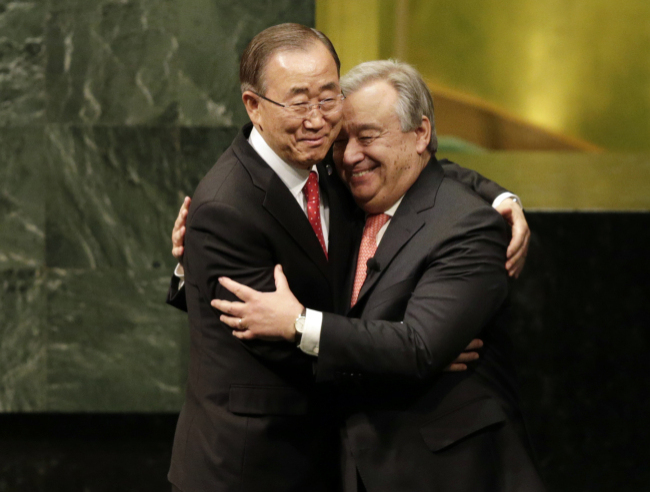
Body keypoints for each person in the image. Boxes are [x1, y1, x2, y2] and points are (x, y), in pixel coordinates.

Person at [167, 23, 530, 492]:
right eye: (299, 102)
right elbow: (285, 351)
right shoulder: (226, 206)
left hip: (338, 459)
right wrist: (415, 355)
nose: (317, 121)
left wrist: (502, 197)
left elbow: (419, 167)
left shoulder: (321, 166)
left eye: (327, 98)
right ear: (253, 106)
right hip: (248, 468)